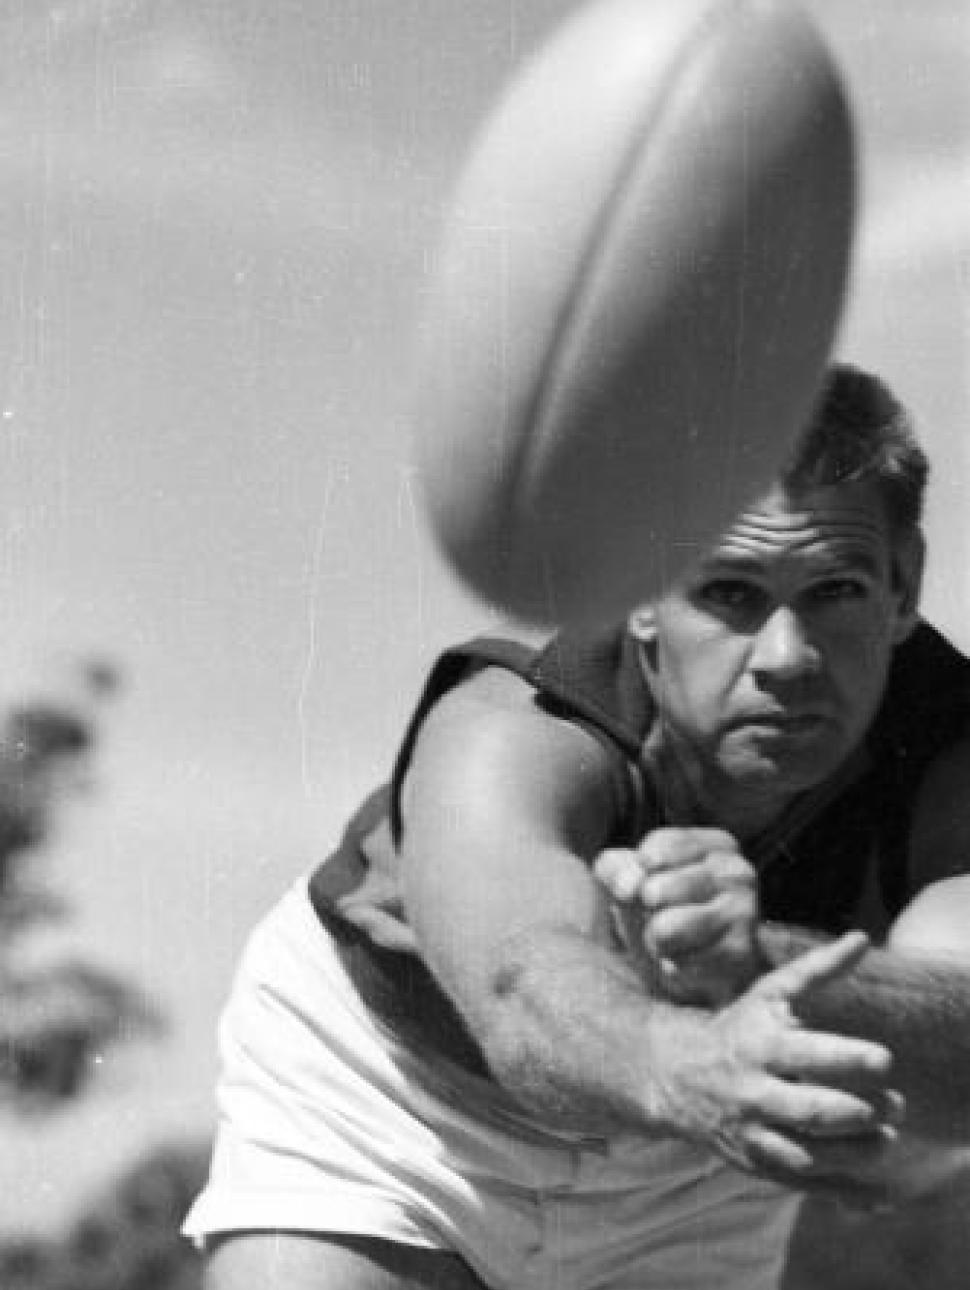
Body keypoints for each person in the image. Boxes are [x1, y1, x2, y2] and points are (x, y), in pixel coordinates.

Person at [185, 363, 970, 1290]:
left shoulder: (949, 758)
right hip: (401, 1102)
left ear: (905, 586)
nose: (787, 658)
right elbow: (523, 991)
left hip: (693, 1175)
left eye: (835, 591)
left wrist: (744, 963)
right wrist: (688, 1053)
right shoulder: (511, 731)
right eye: (730, 594)